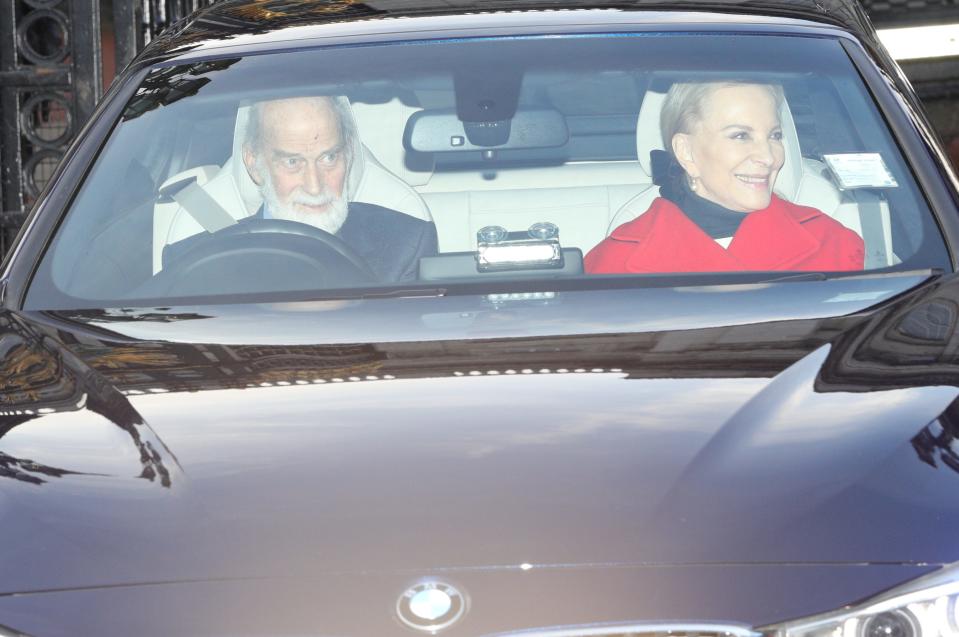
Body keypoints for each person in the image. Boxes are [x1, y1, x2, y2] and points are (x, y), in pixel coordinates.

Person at [585, 82, 864, 274]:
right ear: (686, 151)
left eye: (774, 136)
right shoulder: (613, 264)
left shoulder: (834, 242)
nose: (768, 157)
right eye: (740, 136)